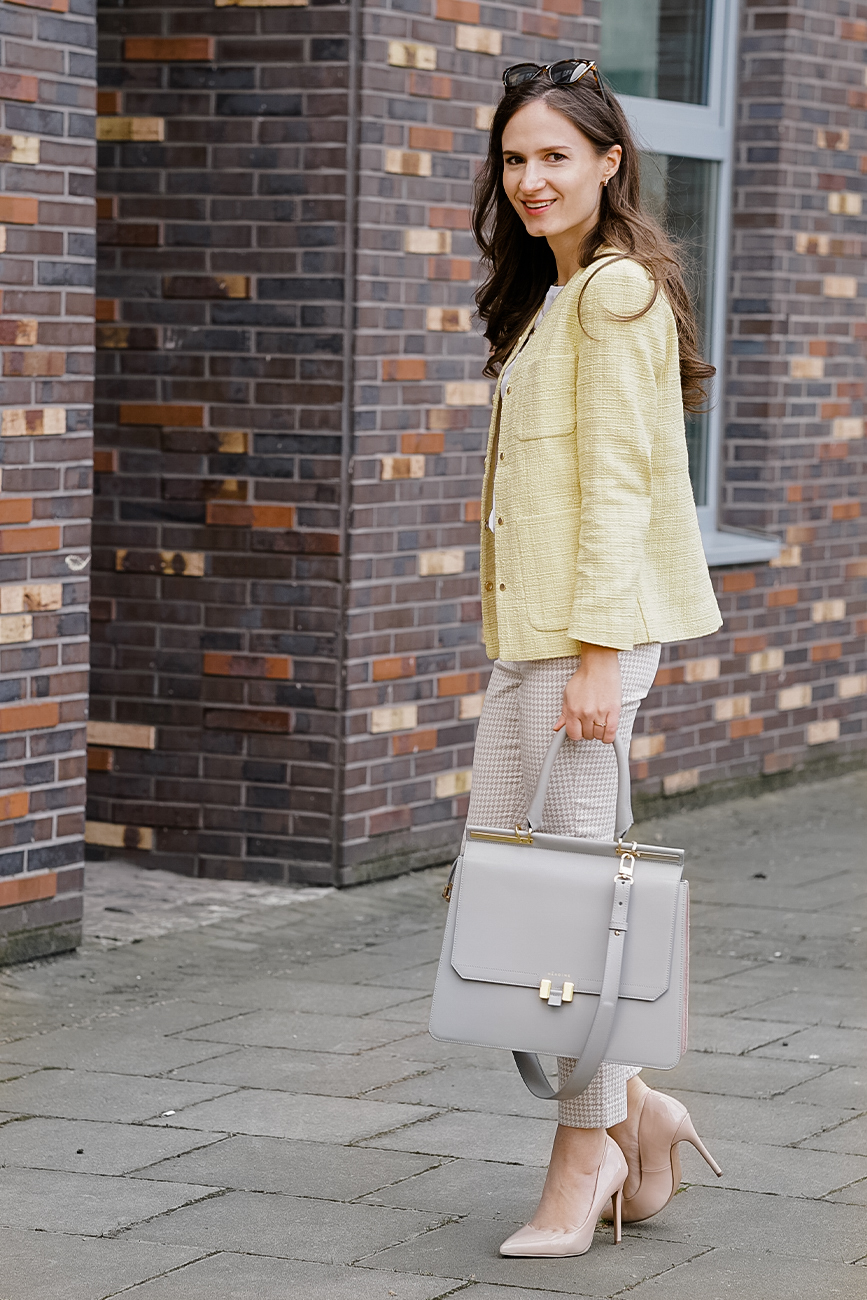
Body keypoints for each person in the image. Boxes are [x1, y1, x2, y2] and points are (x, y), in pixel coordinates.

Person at [464, 59, 724, 1259]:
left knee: (572, 918)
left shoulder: (615, 294)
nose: (531, 179)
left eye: (556, 156)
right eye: (516, 159)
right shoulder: (556, 296)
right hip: (539, 645)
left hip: (585, 647)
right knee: (534, 906)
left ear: (611, 161)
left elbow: (619, 490)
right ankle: (645, 1113)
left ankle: (584, 1164)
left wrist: (600, 658)